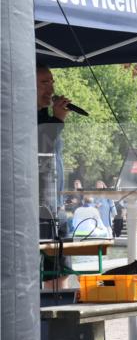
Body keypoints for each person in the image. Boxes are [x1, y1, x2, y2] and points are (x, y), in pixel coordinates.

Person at [37, 65, 70, 230]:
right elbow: (38, 148)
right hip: (38, 208)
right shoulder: (22, 117)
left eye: (52, 82)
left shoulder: (46, 117)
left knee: (63, 253)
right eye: (44, 83)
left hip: (56, 203)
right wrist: (58, 120)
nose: (51, 89)